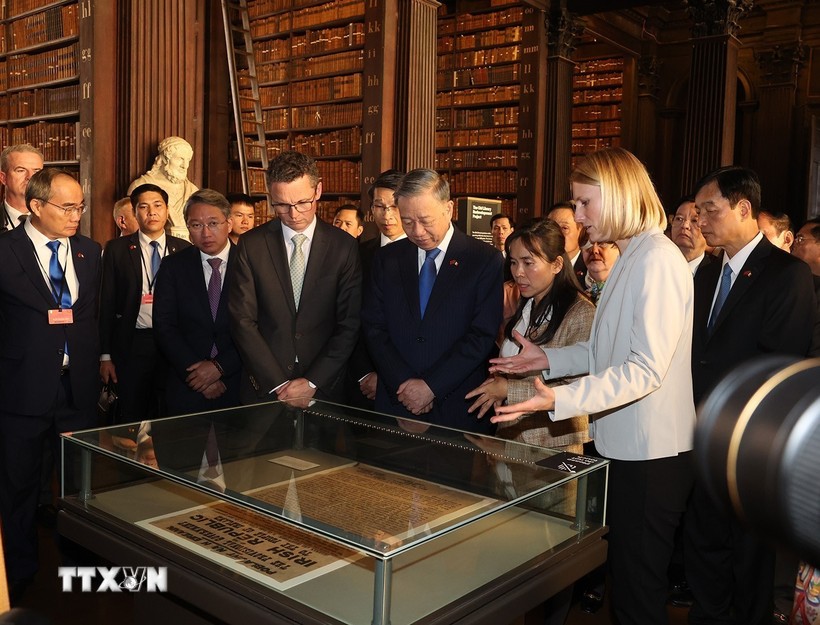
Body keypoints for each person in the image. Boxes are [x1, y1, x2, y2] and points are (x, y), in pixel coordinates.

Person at [488, 148, 695, 625]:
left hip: (651, 454)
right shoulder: (632, 256)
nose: (577, 218)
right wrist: (550, 359)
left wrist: (560, 396)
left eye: (584, 203)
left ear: (618, 194)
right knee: (627, 585)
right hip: (627, 446)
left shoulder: (656, 260)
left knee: (638, 594)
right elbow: (609, 349)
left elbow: (644, 369)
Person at [685, 166, 816, 625]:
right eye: (697, 211)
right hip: (700, 436)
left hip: (751, 445)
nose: (699, 220)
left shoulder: (788, 275)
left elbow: (780, 363)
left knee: (751, 561)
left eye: (709, 210)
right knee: (704, 548)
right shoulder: (703, 274)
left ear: (744, 209)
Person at [0, 168, 101, 599]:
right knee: (19, 486)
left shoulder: (90, 252)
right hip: (20, 390)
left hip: (76, 388)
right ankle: (19, 573)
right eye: (67, 206)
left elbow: (93, 315)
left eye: (80, 205)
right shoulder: (5, 251)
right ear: (36, 206)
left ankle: (80, 567)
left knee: (80, 485)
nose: (76, 214)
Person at [361, 169, 503, 433]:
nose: (417, 231)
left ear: (448, 209)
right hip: (395, 400)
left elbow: (481, 335)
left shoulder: (483, 260)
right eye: (407, 221)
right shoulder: (387, 259)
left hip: (456, 407)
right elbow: (374, 327)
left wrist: (431, 387)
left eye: (425, 220)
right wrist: (403, 384)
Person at [228, 151, 361, 405]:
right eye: (281, 205)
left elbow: (349, 322)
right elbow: (242, 320)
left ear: (318, 190)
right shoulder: (252, 244)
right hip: (265, 388)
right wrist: (278, 384)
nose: (293, 213)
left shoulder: (343, 246)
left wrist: (313, 382)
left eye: (303, 202)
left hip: (324, 387)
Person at [466, 219, 594, 452]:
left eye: (528, 262)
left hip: (554, 444)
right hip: (511, 438)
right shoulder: (526, 304)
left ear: (556, 264)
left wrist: (507, 389)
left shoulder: (580, 312)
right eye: (514, 263)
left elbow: (579, 388)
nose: (518, 272)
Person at [99, 184, 191, 423]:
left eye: (158, 205)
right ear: (135, 212)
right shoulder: (117, 249)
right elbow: (106, 302)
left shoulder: (183, 249)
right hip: (134, 343)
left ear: (168, 210)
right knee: (130, 413)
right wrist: (105, 355)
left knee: (168, 412)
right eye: (144, 207)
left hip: (173, 344)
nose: (152, 212)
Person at [153, 189, 241, 416]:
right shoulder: (173, 266)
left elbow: (259, 326)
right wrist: (199, 376)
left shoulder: (251, 264)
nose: (206, 233)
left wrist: (220, 368)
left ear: (229, 223)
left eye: (213, 223)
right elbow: (165, 327)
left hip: (238, 382)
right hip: (187, 384)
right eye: (196, 225)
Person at [348, 170, 405, 409]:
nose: (387, 215)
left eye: (395, 206)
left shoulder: (426, 255)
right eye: (380, 206)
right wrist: (364, 373)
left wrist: (395, 376)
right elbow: (350, 317)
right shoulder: (358, 254)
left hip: (409, 382)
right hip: (362, 381)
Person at [127, 136, 199, 240]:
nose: (185, 165)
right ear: (166, 158)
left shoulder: (192, 190)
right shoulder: (140, 185)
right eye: (180, 159)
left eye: (188, 160)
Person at [0, 144, 43, 232]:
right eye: (21, 170)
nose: (30, 177)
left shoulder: (57, 220)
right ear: (3, 178)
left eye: (36, 171)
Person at [670, 196, 712, 275]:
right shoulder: (658, 264)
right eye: (679, 219)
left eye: (694, 221)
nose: (685, 225)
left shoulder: (716, 273)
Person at [547, 201, 586, 283]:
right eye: (552, 228)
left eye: (564, 228)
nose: (557, 233)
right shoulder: (541, 268)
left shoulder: (591, 269)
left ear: (581, 230)